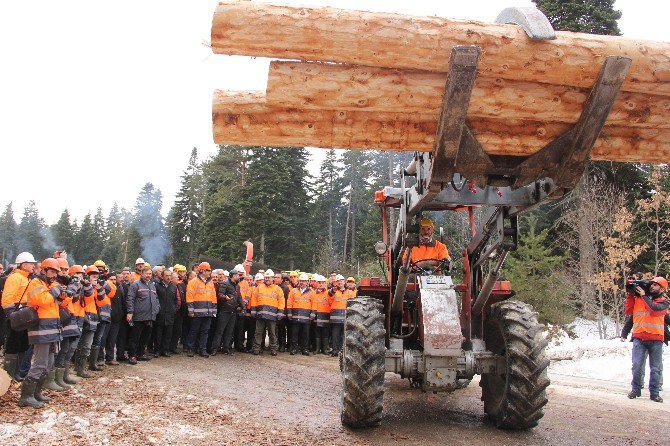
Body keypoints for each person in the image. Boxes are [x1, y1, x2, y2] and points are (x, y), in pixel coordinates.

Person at [626, 276, 669, 402]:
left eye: (655, 285)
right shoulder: (640, 298)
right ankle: (635, 389)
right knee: (637, 365)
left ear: (662, 289)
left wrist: (644, 296)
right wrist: (630, 294)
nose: (652, 286)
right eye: (651, 284)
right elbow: (628, 310)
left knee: (655, 368)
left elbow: (654, 310)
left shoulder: (664, 303)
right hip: (639, 337)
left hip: (656, 339)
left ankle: (654, 393)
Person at [2, 252, 37, 381]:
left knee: (23, 344)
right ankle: (8, 375)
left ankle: (16, 373)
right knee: (13, 344)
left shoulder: (28, 278)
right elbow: (7, 298)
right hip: (17, 315)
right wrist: (12, 316)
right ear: (23, 264)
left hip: (25, 315)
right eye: (31, 263)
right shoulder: (15, 277)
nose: (34, 266)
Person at [75, 265, 106, 378]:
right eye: (93, 276)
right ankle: (74, 368)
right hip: (79, 319)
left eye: (97, 276)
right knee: (75, 345)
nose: (95, 278)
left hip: (92, 320)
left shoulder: (96, 288)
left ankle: (81, 369)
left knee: (87, 346)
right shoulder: (80, 286)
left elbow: (102, 302)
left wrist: (99, 287)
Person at [126, 266, 160, 365]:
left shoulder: (152, 286)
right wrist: (130, 312)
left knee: (146, 337)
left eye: (150, 274)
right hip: (138, 316)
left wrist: (157, 309)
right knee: (135, 337)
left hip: (150, 316)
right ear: (142, 274)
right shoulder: (135, 285)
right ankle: (132, 355)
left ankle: (140, 354)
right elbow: (130, 299)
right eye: (146, 273)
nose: (148, 275)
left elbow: (156, 299)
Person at [185, 262, 217, 357]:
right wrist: (191, 311)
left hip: (208, 312)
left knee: (205, 331)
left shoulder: (210, 283)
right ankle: (190, 348)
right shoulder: (193, 282)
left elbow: (213, 297)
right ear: (202, 270)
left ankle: (202, 349)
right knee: (194, 331)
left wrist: (213, 311)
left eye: (210, 270)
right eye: (208, 270)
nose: (209, 272)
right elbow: (189, 297)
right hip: (197, 312)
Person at [250, 269, 284, 356]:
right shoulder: (259, 287)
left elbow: (281, 301)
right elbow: (254, 299)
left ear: (273, 278)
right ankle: (256, 348)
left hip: (272, 316)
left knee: (272, 333)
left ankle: (273, 349)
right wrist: (253, 310)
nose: (267, 279)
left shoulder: (278, 289)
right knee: (258, 332)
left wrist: (280, 312)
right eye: (266, 278)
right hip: (260, 314)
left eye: (269, 278)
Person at [211, 267, 242, 355]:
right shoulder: (225, 283)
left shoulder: (237, 286)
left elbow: (239, 297)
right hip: (224, 310)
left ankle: (226, 348)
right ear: (233, 276)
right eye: (237, 275)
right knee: (219, 331)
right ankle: (214, 349)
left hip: (233, 311)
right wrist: (225, 298)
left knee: (229, 331)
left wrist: (242, 307)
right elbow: (220, 295)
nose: (238, 277)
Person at [287, 273, 314, 356]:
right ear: (299, 281)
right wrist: (289, 312)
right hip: (296, 316)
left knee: (305, 334)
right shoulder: (293, 291)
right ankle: (294, 348)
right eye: (301, 281)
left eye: (304, 281)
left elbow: (314, 303)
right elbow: (289, 302)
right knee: (294, 333)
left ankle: (304, 349)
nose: (302, 282)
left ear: (307, 282)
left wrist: (313, 313)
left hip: (306, 317)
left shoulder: (312, 292)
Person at [153, 269, 177, 357]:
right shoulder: (157, 286)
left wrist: (174, 309)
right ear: (162, 276)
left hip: (170, 314)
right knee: (158, 333)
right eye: (166, 275)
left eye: (170, 275)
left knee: (168, 333)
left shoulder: (173, 286)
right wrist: (157, 310)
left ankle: (165, 350)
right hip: (160, 314)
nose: (168, 277)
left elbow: (176, 300)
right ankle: (157, 350)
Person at [328, 274, 349, 357]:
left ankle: (342, 351)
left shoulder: (349, 292)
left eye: (341, 280)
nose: (340, 282)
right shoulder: (332, 291)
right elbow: (330, 294)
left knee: (344, 336)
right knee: (335, 335)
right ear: (335, 283)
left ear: (344, 281)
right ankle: (335, 350)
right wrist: (334, 288)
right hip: (335, 319)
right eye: (338, 281)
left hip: (346, 318)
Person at [312, 275, 331, 355]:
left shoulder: (328, 293)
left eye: (323, 283)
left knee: (325, 333)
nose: (321, 284)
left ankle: (325, 350)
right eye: (319, 283)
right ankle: (317, 349)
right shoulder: (313, 293)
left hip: (326, 315)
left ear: (325, 284)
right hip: (316, 315)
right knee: (317, 333)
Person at [275, 271, 291, 352]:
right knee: (275, 329)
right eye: (275, 277)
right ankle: (276, 344)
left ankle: (282, 345)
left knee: (281, 329)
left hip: (282, 312)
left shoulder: (285, 288)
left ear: (282, 280)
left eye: (278, 277)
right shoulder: (273, 286)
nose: (276, 279)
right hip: (273, 311)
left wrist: (285, 312)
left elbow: (287, 301)